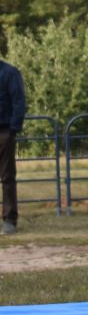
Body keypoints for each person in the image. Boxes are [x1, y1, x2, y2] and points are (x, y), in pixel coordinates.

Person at [0, 51, 23, 236]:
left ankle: (10, 219)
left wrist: (13, 129)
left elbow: (18, 101)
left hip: (4, 130)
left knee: (7, 176)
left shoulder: (9, 73)